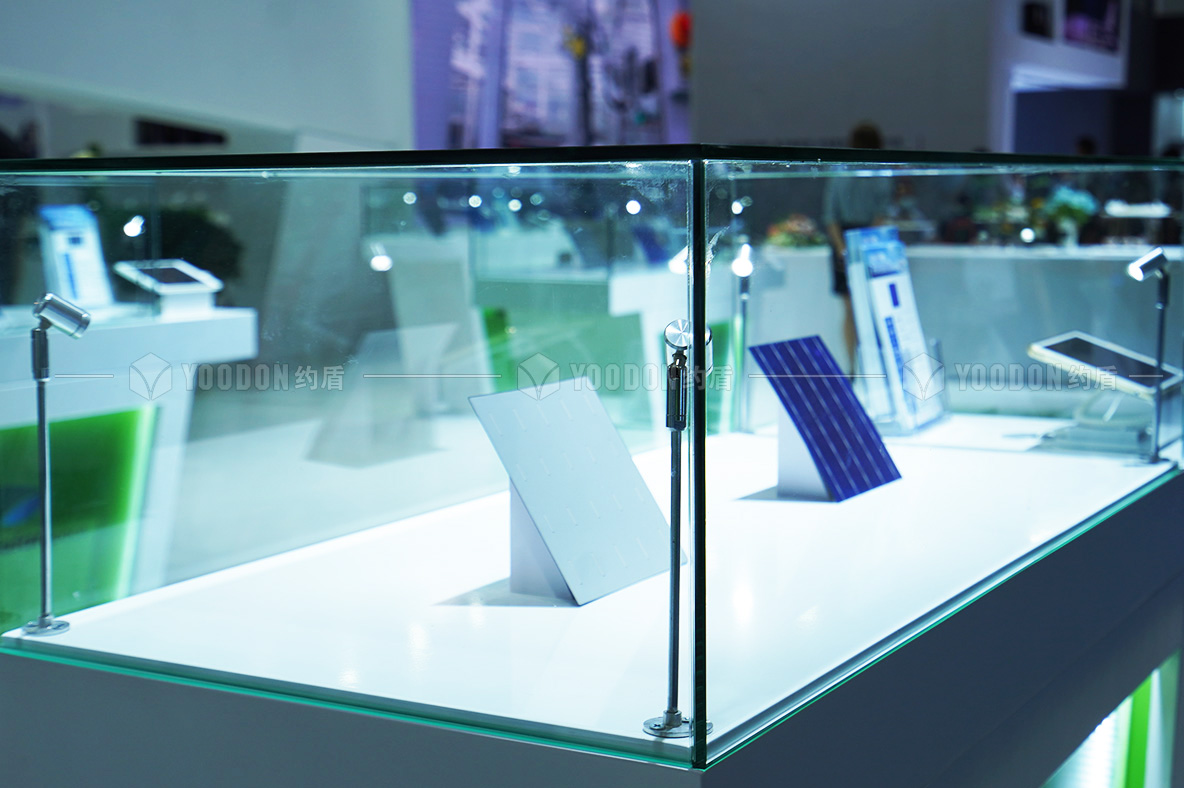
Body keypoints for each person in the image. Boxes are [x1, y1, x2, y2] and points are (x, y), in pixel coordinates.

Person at [822, 121, 893, 370]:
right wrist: (857, 246)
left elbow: (830, 216)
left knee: (852, 309)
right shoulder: (877, 172)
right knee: (868, 307)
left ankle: (855, 366)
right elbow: (880, 215)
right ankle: (866, 367)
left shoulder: (844, 171)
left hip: (847, 238)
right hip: (867, 238)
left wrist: (842, 247)